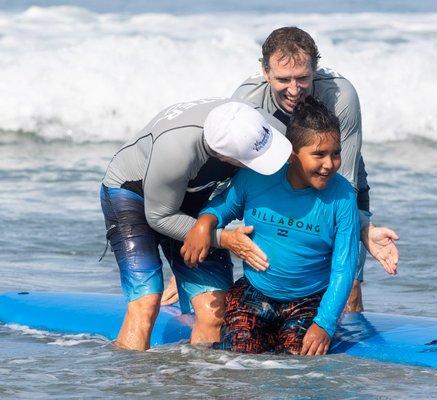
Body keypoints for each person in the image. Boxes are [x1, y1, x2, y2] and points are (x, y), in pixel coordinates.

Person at [100, 98, 292, 350]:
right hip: (132, 195)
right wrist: (223, 238)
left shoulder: (256, 125)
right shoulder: (177, 150)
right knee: (146, 301)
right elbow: (159, 217)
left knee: (215, 313)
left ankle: (199, 386)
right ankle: (132, 386)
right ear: (222, 155)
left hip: (192, 197)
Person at [231, 27, 399, 312]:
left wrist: (360, 229)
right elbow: (228, 178)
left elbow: (342, 179)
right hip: (275, 183)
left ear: (315, 69)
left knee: (349, 290)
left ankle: (344, 351)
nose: (294, 90)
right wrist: (205, 241)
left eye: (303, 78)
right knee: (278, 266)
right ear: (264, 71)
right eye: (283, 80)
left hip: (335, 177)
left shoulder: (340, 95)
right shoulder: (246, 103)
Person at [183, 97, 360, 355]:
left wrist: (325, 324)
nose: (329, 164)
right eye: (319, 154)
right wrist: (204, 223)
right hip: (254, 293)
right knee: (238, 355)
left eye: (336, 153)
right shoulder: (257, 177)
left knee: (298, 360)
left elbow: (344, 267)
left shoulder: (343, 198)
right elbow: (222, 207)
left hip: (309, 300)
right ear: (292, 156)